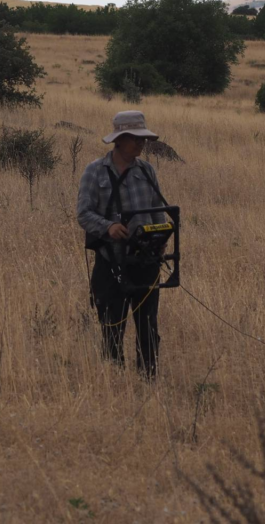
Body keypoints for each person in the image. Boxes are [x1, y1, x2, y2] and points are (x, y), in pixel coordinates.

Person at [77, 111, 167, 378]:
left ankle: (147, 378)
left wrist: (161, 239)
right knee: (112, 326)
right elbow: (83, 213)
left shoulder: (147, 170)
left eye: (143, 139)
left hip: (145, 262)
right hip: (111, 263)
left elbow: (158, 210)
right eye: (136, 139)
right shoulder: (95, 171)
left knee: (148, 326)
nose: (141, 144)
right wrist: (109, 227)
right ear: (120, 139)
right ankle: (114, 380)